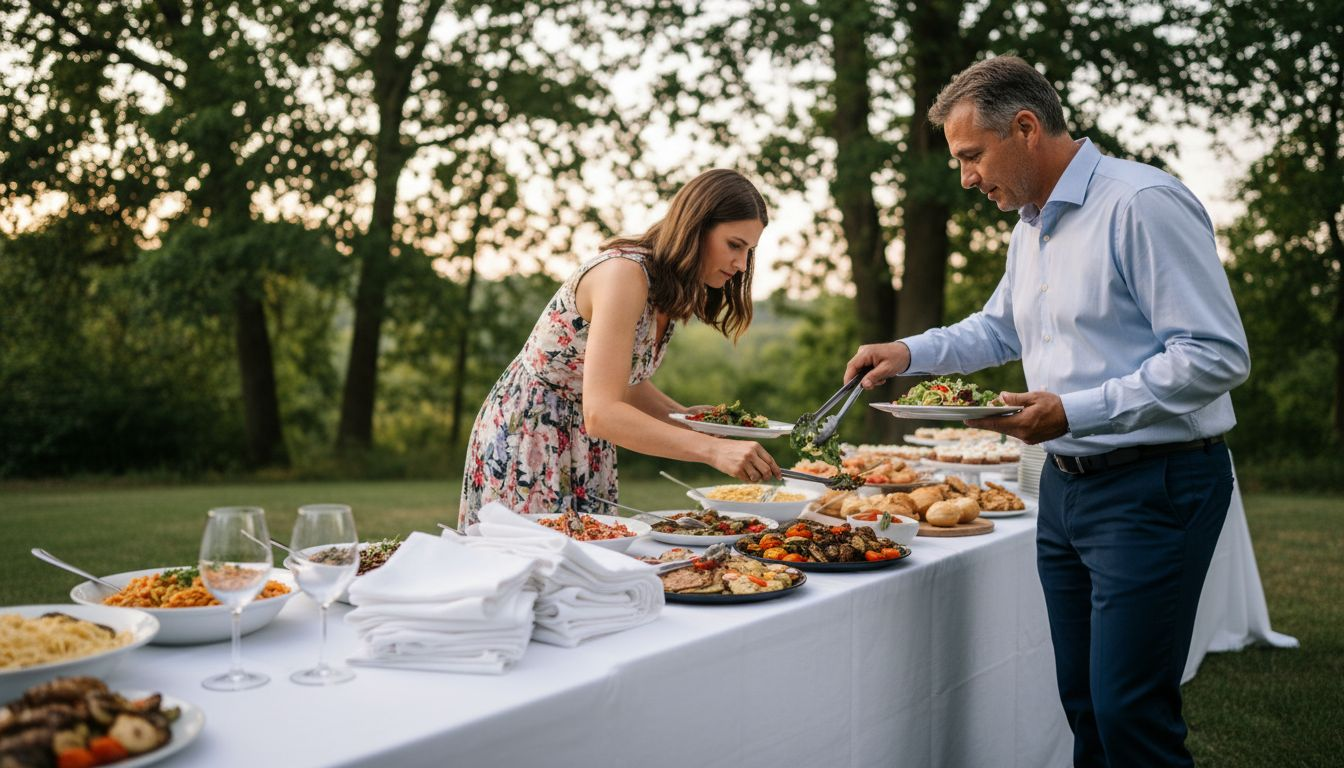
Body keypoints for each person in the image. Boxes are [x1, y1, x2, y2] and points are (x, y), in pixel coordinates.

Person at [843, 57, 1249, 767]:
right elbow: (999, 330)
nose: (966, 177)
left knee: (1131, 712)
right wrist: (906, 352)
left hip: (1155, 486)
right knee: (1084, 702)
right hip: (1062, 488)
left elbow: (1215, 355)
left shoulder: (1141, 203)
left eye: (972, 155)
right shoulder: (1031, 225)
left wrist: (1075, 410)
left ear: (1025, 128)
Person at [458, 169, 782, 529]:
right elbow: (602, 412)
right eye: (734, 245)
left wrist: (689, 422)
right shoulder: (624, 274)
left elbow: (622, 381)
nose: (740, 266)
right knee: (534, 577)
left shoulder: (665, 286)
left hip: (585, 445)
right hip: (531, 437)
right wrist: (713, 450)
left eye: (748, 251)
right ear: (695, 227)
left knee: (591, 573)